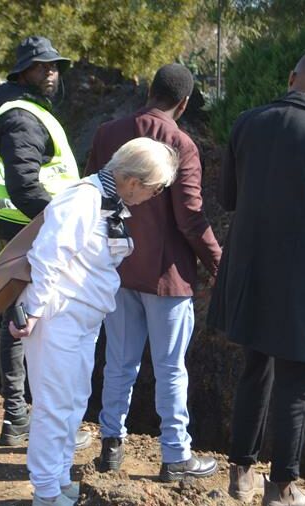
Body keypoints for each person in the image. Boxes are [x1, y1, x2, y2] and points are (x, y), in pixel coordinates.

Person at [207, 50, 305, 506]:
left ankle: (241, 474)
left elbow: (228, 198)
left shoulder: (246, 123)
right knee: (296, 383)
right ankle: (281, 490)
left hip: (250, 271)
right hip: (303, 283)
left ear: (291, 77)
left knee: (254, 369)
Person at [9, 137, 179, 506]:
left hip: (84, 317)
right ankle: (46, 492)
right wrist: (33, 311)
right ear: (132, 181)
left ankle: (59, 478)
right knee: (54, 406)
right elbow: (48, 257)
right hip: (59, 316)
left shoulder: (108, 201)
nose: (154, 196)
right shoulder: (82, 199)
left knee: (74, 401)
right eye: (154, 189)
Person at [85, 63, 221, 482]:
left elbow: (94, 195)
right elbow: (190, 218)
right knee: (170, 368)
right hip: (168, 278)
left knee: (118, 361)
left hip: (118, 270)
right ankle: (176, 455)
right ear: (184, 103)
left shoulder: (108, 133)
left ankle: (110, 446)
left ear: (149, 90)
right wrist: (219, 263)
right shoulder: (181, 145)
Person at [0, 35, 88, 448]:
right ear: (23, 72)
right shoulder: (21, 116)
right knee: (32, 328)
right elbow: (24, 186)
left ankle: (18, 418)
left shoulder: (23, 110)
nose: (52, 73)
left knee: (19, 322)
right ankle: (31, 421)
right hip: (35, 234)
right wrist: (66, 219)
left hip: (23, 231)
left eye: (55, 66)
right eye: (43, 66)